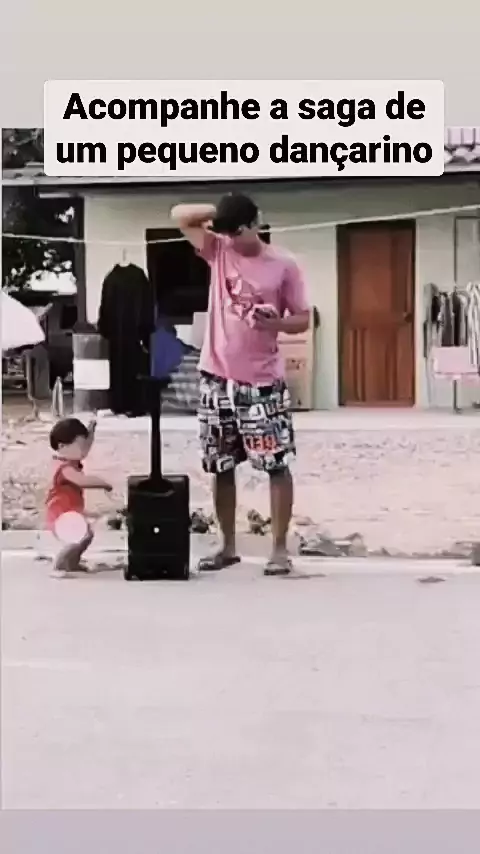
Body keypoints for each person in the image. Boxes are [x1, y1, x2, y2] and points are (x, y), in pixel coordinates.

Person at [171, 192, 311, 575]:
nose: (232, 240)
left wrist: (275, 323)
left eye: (239, 232)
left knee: (275, 464)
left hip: (262, 381)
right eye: (227, 233)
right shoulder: (218, 249)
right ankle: (227, 546)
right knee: (221, 464)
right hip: (216, 377)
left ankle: (279, 550)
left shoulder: (283, 264)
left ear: (256, 224)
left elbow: (303, 318)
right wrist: (219, 214)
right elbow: (180, 215)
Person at [45, 417, 113, 578]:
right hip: (60, 514)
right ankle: (61, 563)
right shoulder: (64, 468)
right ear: (62, 446)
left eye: (84, 446)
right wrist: (102, 483)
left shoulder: (70, 460)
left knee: (85, 536)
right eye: (79, 446)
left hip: (69, 513)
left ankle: (72, 562)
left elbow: (86, 447)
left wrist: (91, 431)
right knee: (80, 536)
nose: (83, 451)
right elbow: (81, 481)